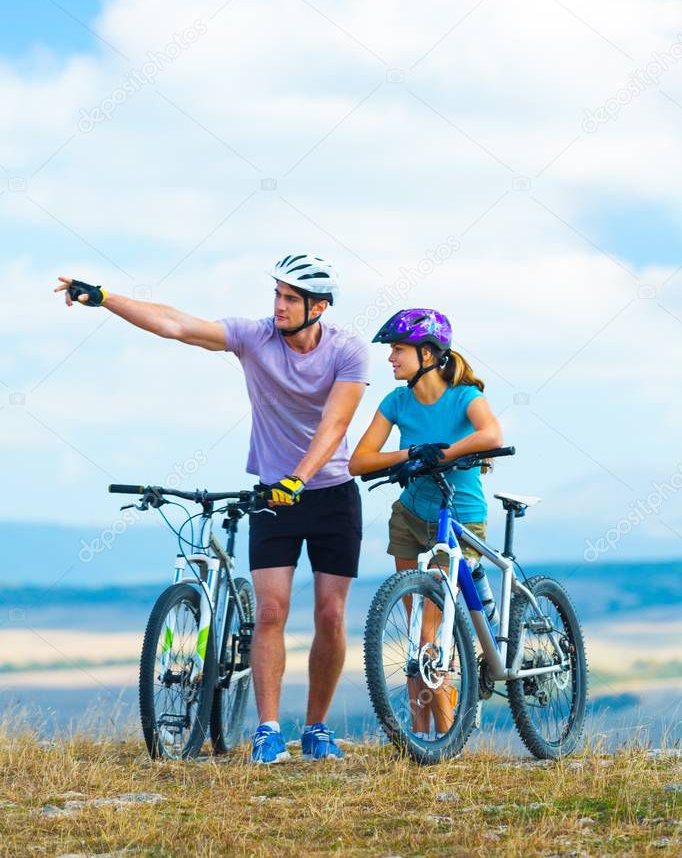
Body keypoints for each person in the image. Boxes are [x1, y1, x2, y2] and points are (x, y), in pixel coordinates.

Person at [54, 253, 369, 763]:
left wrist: (300, 478)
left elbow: (335, 425)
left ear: (320, 306)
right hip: (272, 496)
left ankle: (316, 728)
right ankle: (268, 731)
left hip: (331, 493)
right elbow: (177, 324)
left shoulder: (347, 351)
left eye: (291, 298)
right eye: (277, 294)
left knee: (331, 615)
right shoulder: (254, 336)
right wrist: (107, 298)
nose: (278, 306)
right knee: (270, 611)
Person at [348, 307, 503, 736]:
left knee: (429, 631)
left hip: (459, 518)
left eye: (398, 349)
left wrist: (445, 452)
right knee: (419, 628)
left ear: (429, 353)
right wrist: (412, 454)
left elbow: (492, 435)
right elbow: (360, 461)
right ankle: (421, 738)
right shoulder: (396, 402)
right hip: (411, 516)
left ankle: (445, 735)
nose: (390, 358)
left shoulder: (464, 396)